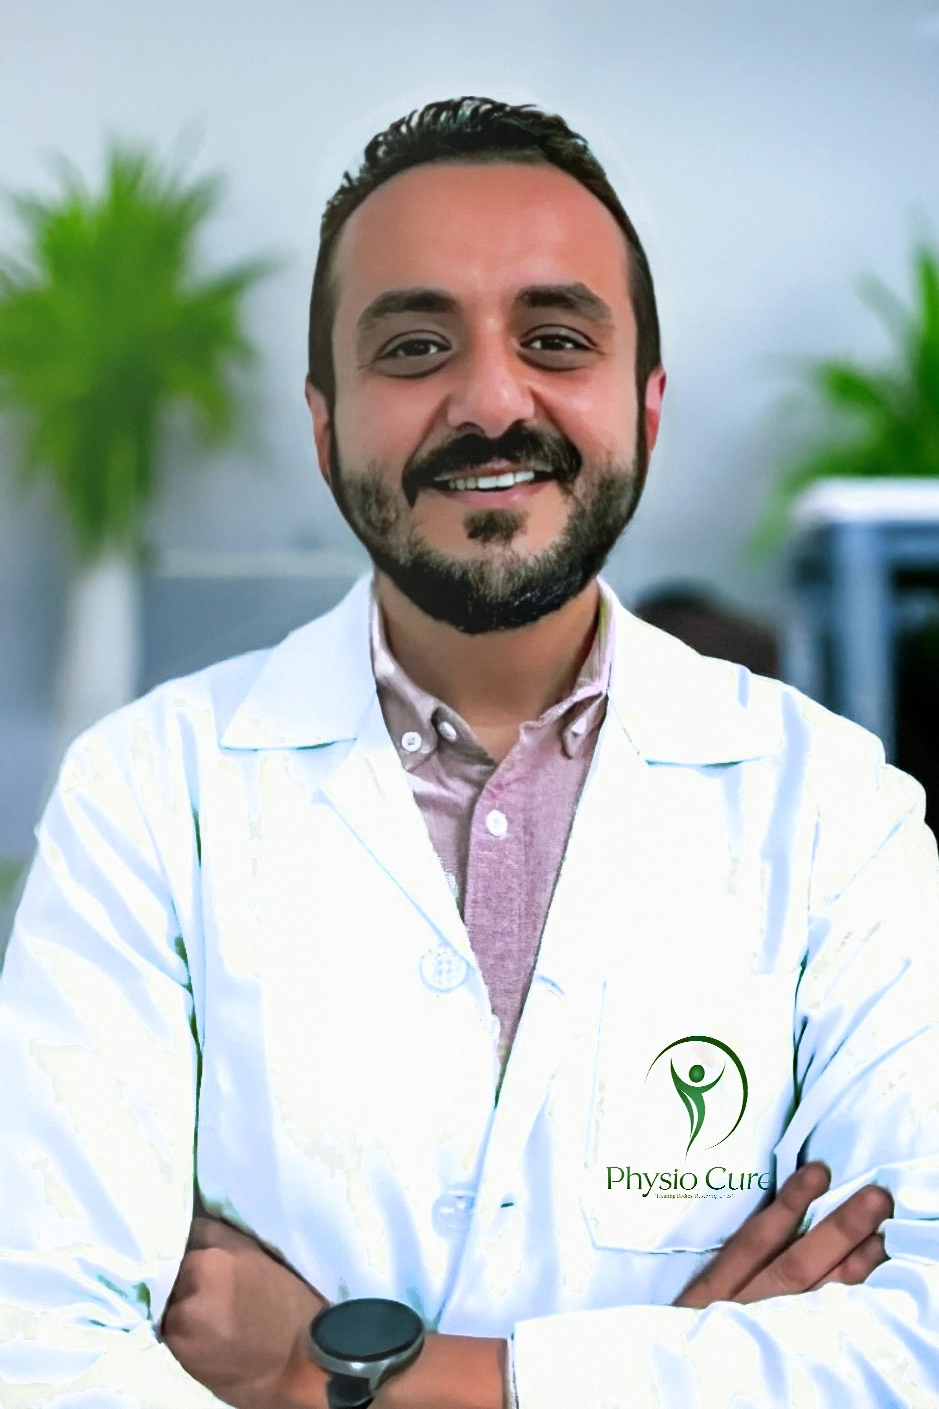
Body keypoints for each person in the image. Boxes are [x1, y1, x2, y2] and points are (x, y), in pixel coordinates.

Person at [1, 97, 938, 1409]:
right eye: (414, 347)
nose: (492, 400)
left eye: (555, 339)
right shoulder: (150, 798)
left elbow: (918, 1343)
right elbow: (41, 1345)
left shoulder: (836, 811)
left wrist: (342, 1379)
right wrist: (683, 1368)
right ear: (325, 424)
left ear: (646, 407)